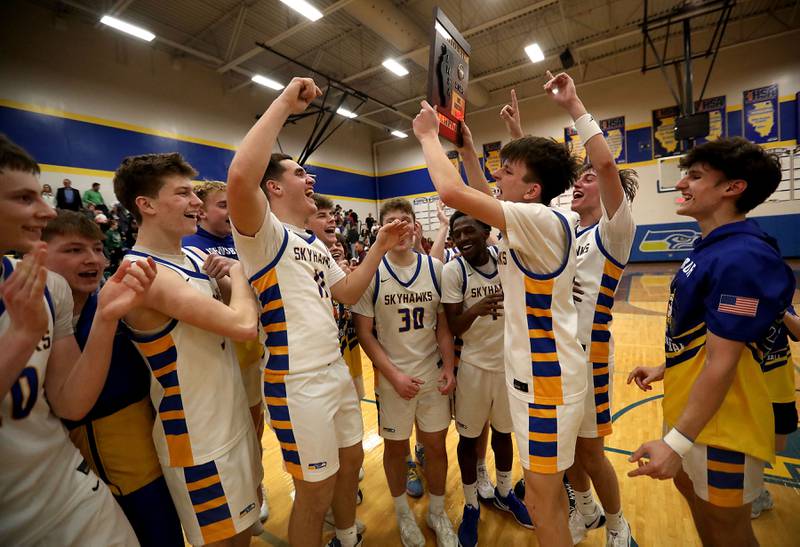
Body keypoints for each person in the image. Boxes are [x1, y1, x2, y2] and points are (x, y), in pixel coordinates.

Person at [225, 76, 410, 547]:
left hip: (332, 373)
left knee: (350, 466)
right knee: (314, 490)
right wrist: (287, 102)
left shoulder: (311, 241)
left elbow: (346, 292)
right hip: (296, 380)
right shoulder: (261, 233)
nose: (310, 181)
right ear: (274, 188)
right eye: (298, 175)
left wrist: (380, 247)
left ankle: (346, 537)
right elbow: (239, 178)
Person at [413, 87, 587, 547]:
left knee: (545, 504)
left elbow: (454, 192)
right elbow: (477, 191)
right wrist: (468, 147)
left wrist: (429, 137)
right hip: (538, 377)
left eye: (506, 173)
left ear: (531, 190)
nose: (497, 178)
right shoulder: (544, 216)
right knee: (544, 499)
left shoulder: (539, 221)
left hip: (546, 383)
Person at [626, 137, 795, 547]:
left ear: (732, 188)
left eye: (695, 176)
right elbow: (714, 336)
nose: (682, 184)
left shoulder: (742, 257)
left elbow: (724, 362)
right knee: (701, 512)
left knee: (728, 529)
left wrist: (675, 443)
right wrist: (667, 367)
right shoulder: (714, 249)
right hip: (693, 414)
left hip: (723, 425)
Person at [502, 77, 640, 544]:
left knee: (592, 453)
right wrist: (520, 136)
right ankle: (584, 510)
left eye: (589, 180)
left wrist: (574, 104)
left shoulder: (614, 230)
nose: (581, 183)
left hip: (592, 353)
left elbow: (603, 162)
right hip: (560, 356)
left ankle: (617, 524)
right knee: (569, 456)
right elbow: (532, 194)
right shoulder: (566, 230)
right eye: (577, 180)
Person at [0, 133, 155, 546]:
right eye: (24, 198)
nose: (46, 210)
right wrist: (20, 338)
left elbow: (70, 403)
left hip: (71, 490)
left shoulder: (51, 286)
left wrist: (104, 317)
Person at [113, 151, 263, 547]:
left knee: (243, 535)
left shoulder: (195, 256)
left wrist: (234, 280)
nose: (196, 202)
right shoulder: (142, 272)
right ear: (145, 205)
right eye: (182, 194)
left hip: (232, 421)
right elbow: (244, 324)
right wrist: (237, 274)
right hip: (197, 443)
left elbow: (245, 310)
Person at [42, 210, 183, 546]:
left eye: (97, 248)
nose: (93, 259)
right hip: (68, 476)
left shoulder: (122, 305)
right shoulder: (28, 315)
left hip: (141, 465)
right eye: (74, 250)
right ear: (38, 253)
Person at [353, 198, 458, 547]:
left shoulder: (435, 268)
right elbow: (364, 334)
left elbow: (442, 325)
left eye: (406, 221)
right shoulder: (371, 273)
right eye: (392, 222)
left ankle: (437, 512)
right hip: (392, 380)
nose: (401, 228)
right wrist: (394, 376)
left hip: (431, 375)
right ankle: (402, 514)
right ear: (382, 230)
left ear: (416, 226)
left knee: (437, 447)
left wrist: (450, 367)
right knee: (396, 450)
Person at [181, 179, 271, 529]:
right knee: (228, 435)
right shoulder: (190, 247)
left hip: (250, 350)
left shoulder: (241, 242)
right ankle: (239, 498)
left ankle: (256, 487)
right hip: (217, 356)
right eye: (223, 205)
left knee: (254, 428)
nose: (231, 212)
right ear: (201, 210)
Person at [442, 211, 532, 547]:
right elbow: (453, 327)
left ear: (485, 230)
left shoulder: (506, 259)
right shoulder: (454, 271)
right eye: (456, 234)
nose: (463, 239)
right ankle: (469, 505)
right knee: (468, 438)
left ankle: (505, 491)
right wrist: (476, 309)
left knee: (504, 433)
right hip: (475, 368)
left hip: (509, 365)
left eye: (469, 231)